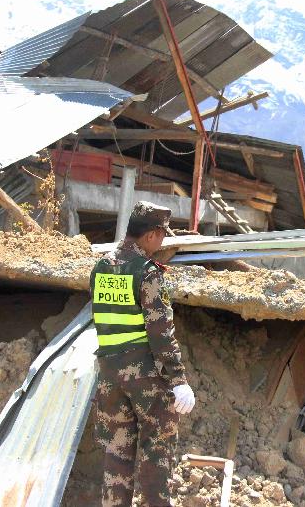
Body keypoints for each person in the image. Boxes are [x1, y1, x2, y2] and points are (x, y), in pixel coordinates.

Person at [91, 201, 196, 507]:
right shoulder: (147, 273)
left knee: (116, 456)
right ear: (150, 235)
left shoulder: (101, 267)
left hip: (109, 375)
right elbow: (160, 332)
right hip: (145, 376)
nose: (162, 241)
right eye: (162, 235)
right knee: (156, 455)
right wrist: (178, 379)